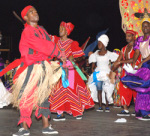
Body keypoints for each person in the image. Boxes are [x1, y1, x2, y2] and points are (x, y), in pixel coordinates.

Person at [0, 5, 63, 135]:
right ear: (25, 17)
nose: (35, 13)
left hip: (43, 67)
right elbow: (41, 45)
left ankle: (46, 126)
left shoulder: (42, 29)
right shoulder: (27, 31)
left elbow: (49, 44)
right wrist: (59, 53)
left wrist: (56, 53)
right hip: (30, 68)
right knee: (26, 96)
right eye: (31, 12)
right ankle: (24, 128)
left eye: (35, 11)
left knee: (44, 96)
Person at [49, 21, 94, 121]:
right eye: (59, 29)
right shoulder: (56, 40)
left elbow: (81, 57)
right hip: (58, 70)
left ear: (67, 32)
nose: (60, 31)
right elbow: (45, 36)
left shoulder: (72, 43)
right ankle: (60, 113)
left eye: (62, 29)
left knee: (71, 90)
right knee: (58, 90)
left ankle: (77, 111)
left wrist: (73, 59)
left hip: (70, 70)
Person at [121, 20, 150, 120]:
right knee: (142, 89)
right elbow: (137, 52)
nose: (145, 28)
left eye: (147, 26)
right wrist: (134, 62)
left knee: (146, 87)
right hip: (144, 65)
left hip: (148, 63)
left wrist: (142, 62)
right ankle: (142, 112)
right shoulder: (140, 39)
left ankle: (146, 112)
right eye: (144, 26)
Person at [112, 30, 141, 116]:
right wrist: (113, 69)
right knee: (123, 89)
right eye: (126, 36)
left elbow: (133, 59)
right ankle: (125, 110)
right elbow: (118, 60)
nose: (127, 38)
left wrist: (120, 62)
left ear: (133, 37)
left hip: (135, 71)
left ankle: (137, 109)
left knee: (136, 90)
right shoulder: (124, 48)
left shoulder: (137, 47)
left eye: (129, 36)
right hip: (125, 72)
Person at [89, 34, 118, 112]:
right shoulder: (96, 53)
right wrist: (93, 71)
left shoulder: (109, 53)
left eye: (100, 43)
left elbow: (116, 61)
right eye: (98, 43)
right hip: (98, 73)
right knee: (99, 89)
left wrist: (112, 70)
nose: (98, 45)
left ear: (104, 44)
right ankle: (100, 106)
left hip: (106, 74)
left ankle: (107, 106)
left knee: (106, 89)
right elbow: (93, 64)